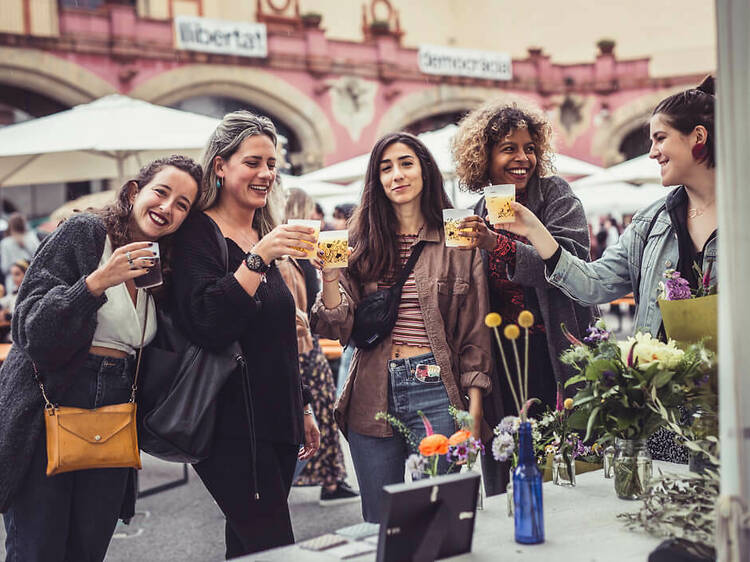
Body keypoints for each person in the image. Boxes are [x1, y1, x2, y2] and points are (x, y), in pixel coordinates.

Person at [501, 76, 717, 463]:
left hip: (730, 406)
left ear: (697, 137)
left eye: (660, 138)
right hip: (661, 408)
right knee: (667, 509)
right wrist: (534, 229)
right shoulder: (653, 221)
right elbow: (594, 284)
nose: (652, 152)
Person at [0, 155, 202, 562]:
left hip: (114, 411)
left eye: (182, 204)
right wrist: (96, 283)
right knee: (38, 548)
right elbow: (29, 329)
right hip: (50, 402)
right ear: (133, 192)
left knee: (88, 549)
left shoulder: (161, 266)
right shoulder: (85, 232)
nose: (167, 208)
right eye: (161, 192)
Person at [311, 132, 493, 523]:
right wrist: (328, 277)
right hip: (371, 391)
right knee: (381, 522)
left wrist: (474, 409)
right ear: (376, 180)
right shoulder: (358, 237)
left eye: (406, 163)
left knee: (436, 520)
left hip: (437, 391)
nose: (396, 174)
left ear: (425, 170)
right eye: (385, 167)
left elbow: (475, 331)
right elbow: (334, 327)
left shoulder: (458, 234)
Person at [169, 111, 321, 558]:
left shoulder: (262, 230)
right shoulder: (199, 231)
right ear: (220, 165)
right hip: (229, 425)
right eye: (253, 162)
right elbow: (209, 324)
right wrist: (257, 259)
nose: (266, 174)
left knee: (250, 546)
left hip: (276, 417)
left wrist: (304, 405)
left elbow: (277, 337)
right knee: (274, 546)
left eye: (272, 164)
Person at [451, 100, 596, 419]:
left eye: (529, 148)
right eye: (508, 149)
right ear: (484, 157)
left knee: (561, 451)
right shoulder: (478, 212)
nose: (522, 158)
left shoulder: (556, 195)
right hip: (500, 356)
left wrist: (497, 243)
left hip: (555, 350)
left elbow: (570, 265)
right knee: (508, 451)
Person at [281, 187, 360, 506]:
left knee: (320, 416)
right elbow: (294, 312)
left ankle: (330, 480)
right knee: (319, 415)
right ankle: (328, 481)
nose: (318, 218)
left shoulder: (302, 258)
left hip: (308, 347)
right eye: (312, 213)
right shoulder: (288, 262)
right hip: (303, 351)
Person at [1, 213, 40, 293]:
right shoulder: (32, 238)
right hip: (32, 278)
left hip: (13, 282)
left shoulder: (5, 243)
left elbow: (4, 267)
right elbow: (39, 257)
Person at [0, 259, 29, 342]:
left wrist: (8, 316)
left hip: (22, 335)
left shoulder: (30, 293)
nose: (14, 278)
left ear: (26, 273)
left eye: (17, 274)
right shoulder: (15, 292)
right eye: (12, 275)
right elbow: (4, 301)